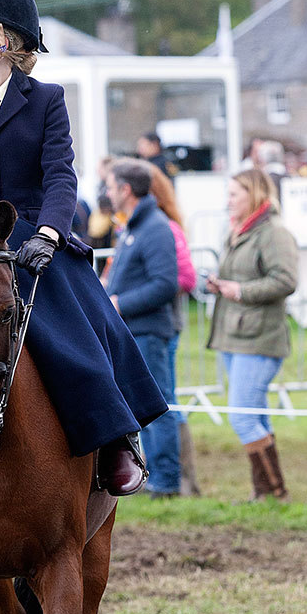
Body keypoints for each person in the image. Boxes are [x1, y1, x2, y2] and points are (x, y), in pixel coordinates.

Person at [0, 0, 169, 496]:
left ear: (1, 38)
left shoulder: (47, 101)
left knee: (81, 333)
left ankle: (114, 440)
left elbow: (60, 176)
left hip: (34, 240)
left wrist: (50, 234)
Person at [102, 160, 201, 495]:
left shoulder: (155, 226)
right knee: (145, 404)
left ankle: (167, 480)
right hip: (135, 332)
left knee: (158, 405)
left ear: (126, 190)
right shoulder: (136, 225)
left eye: (111, 186)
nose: (107, 192)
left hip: (148, 332)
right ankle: (155, 475)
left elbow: (165, 283)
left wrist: (119, 303)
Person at [206, 168, 298, 501]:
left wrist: (241, 291)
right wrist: (221, 284)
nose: (227, 200)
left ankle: (274, 492)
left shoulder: (273, 233)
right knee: (253, 413)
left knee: (242, 417)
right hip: (235, 336)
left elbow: (286, 280)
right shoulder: (238, 230)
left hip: (259, 339)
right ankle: (266, 494)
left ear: (254, 194)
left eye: (233, 194)